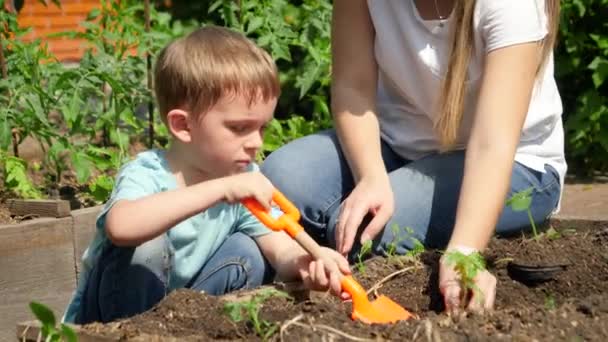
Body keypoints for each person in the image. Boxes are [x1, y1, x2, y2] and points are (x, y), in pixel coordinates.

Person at [262, 0, 564, 313]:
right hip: (395, 143)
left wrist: (465, 250)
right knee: (281, 179)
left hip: (515, 163)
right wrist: (370, 176)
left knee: (369, 233)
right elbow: (353, 86)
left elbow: (493, 142)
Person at [63, 26, 350, 324]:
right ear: (183, 126)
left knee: (247, 252)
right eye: (239, 128)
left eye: (262, 127)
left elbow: (278, 244)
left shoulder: (242, 176)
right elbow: (121, 227)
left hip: (179, 314)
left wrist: (305, 263)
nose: (256, 142)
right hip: (110, 319)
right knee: (146, 247)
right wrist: (222, 189)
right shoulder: (149, 172)